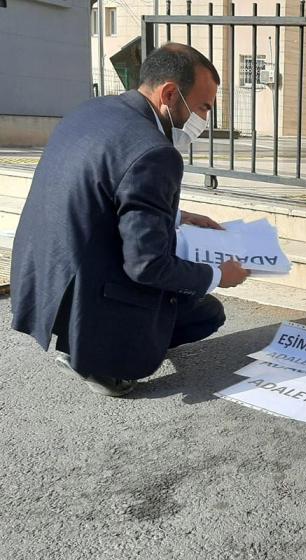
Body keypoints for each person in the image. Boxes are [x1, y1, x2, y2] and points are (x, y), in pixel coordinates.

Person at [11, 43, 249, 397]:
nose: (203, 119)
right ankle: (100, 361)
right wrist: (218, 275)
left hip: (43, 276)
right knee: (206, 311)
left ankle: (82, 339)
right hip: (90, 292)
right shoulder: (155, 151)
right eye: (203, 107)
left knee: (181, 284)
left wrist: (178, 216)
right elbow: (147, 267)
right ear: (170, 93)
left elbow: (105, 192)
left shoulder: (92, 111)